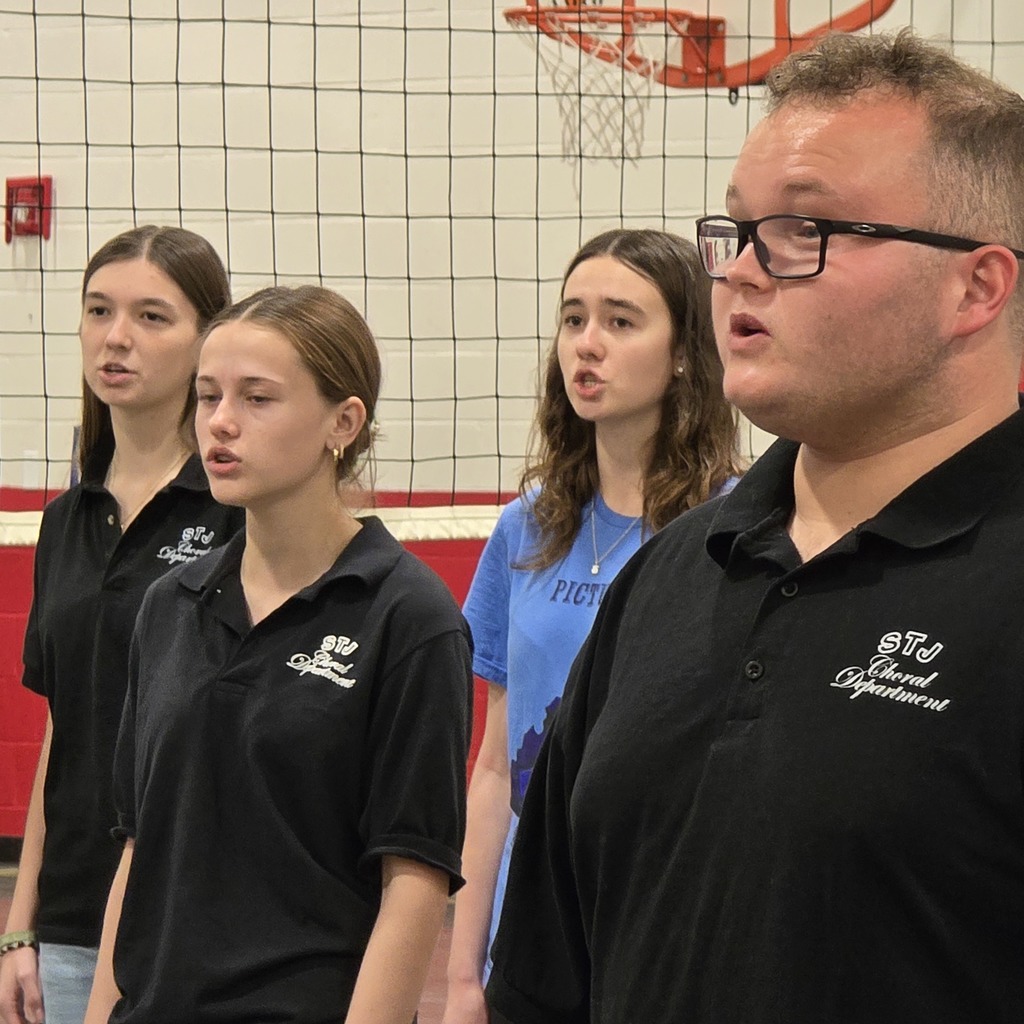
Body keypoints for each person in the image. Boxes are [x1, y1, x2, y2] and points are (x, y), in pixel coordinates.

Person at [485, 29, 1024, 1024]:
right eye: (737, 229)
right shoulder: (669, 575)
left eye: (804, 231)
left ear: (974, 287)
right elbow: (545, 973)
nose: (737, 274)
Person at [82, 285, 472, 1024]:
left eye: (257, 398)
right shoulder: (169, 605)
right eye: (207, 396)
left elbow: (414, 880)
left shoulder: (408, 615)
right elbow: (140, 848)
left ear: (343, 422)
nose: (220, 422)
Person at [442, 229, 742, 1024]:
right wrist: (463, 973)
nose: (587, 344)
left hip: (664, 929)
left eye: (620, 320)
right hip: (532, 932)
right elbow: (495, 768)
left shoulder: (736, 529)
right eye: (573, 319)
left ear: (684, 352)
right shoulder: (526, 528)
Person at [0, 226, 241, 1024]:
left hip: (199, 916)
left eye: (151, 316)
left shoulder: (239, 508)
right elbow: (65, 732)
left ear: (208, 335)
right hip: (70, 924)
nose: (116, 337)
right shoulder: (66, 520)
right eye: (99, 310)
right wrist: (20, 924)